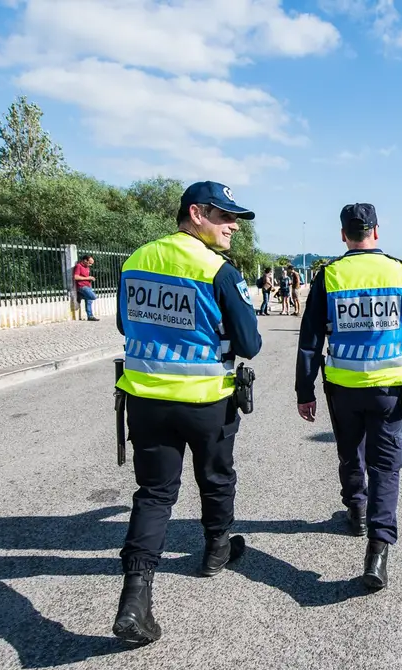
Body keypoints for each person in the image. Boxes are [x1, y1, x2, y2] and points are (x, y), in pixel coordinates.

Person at [111, 181, 263, 645]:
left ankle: (135, 600)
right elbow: (250, 345)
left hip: (146, 398)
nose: (232, 225)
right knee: (215, 479)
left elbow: (123, 322)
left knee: (154, 495)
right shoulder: (218, 270)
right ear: (195, 214)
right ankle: (216, 552)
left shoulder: (136, 260)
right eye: (223, 216)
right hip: (205, 401)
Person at [295, 203, 402, 590]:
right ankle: (378, 550)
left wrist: (305, 390)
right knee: (385, 466)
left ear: (343, 235)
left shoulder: (330, 275)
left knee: (350, 451)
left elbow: (310, 341)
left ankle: (356, 509)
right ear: (376, 231)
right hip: (390, 387)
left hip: (344, 386)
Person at [72, 254, 99, 321]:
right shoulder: (78, 266)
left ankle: (90, 316)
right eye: (90, 263)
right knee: (93, 297)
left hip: (88, 285)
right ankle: (81, 295)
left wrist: (91, 278)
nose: (90, 265)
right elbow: (76, 277)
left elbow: (85, 277)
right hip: (82, 286)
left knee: (89, 301)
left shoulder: (87, 267)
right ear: (85, 260)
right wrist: (88, 278)